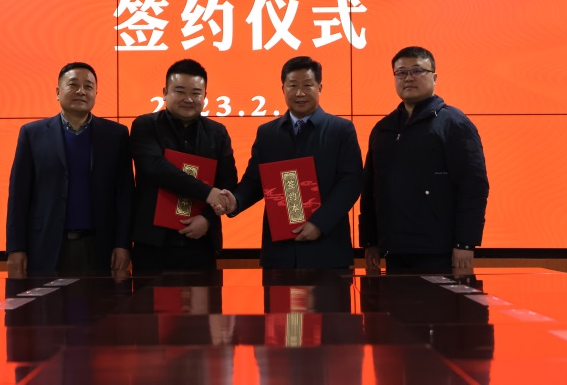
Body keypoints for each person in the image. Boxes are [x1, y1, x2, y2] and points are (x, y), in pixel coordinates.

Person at [219, 56, 363, 268]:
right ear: (283, 89)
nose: (300, 93)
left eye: (307, 85)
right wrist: (236, 201)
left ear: (320, 87)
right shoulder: (267, 133)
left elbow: (350, 183)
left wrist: (319, 224)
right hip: (279, 252)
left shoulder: (341, 130)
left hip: (328, 249)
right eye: (293, 85)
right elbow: (255, 181)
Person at [358, 46, 489, 275]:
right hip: (394, 249)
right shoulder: (383, 129)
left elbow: (473, 186)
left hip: (440, 251)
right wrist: (370, 241)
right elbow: (370, 189)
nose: (408, 78)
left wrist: (466, 243)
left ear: (434, 78)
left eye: (417, 70)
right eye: (401, 72)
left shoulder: (453, 124)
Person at [5, 62, 133, 278]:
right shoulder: (32, 134)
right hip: (46, 246)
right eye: (73, 85)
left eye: (88, 86)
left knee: (101, 300)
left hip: (100, 247)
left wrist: (123, 244)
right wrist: (15, 248)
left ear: (95, 93)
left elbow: (125, 195)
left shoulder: (115, 135)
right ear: (58, 92)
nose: (81, 91)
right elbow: (19, 196)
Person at [130, 59, 238, 271]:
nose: (188, 99)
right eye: (180, 91)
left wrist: (207, 219)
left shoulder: (217, 133)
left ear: (205, 96)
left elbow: (228, 182)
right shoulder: (145, 125)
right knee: (149, 294)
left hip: (201, 241)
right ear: (165, 93)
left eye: (196, 93)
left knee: (205, 293)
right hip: (153, 244)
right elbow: (155, 168)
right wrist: (208, 193)